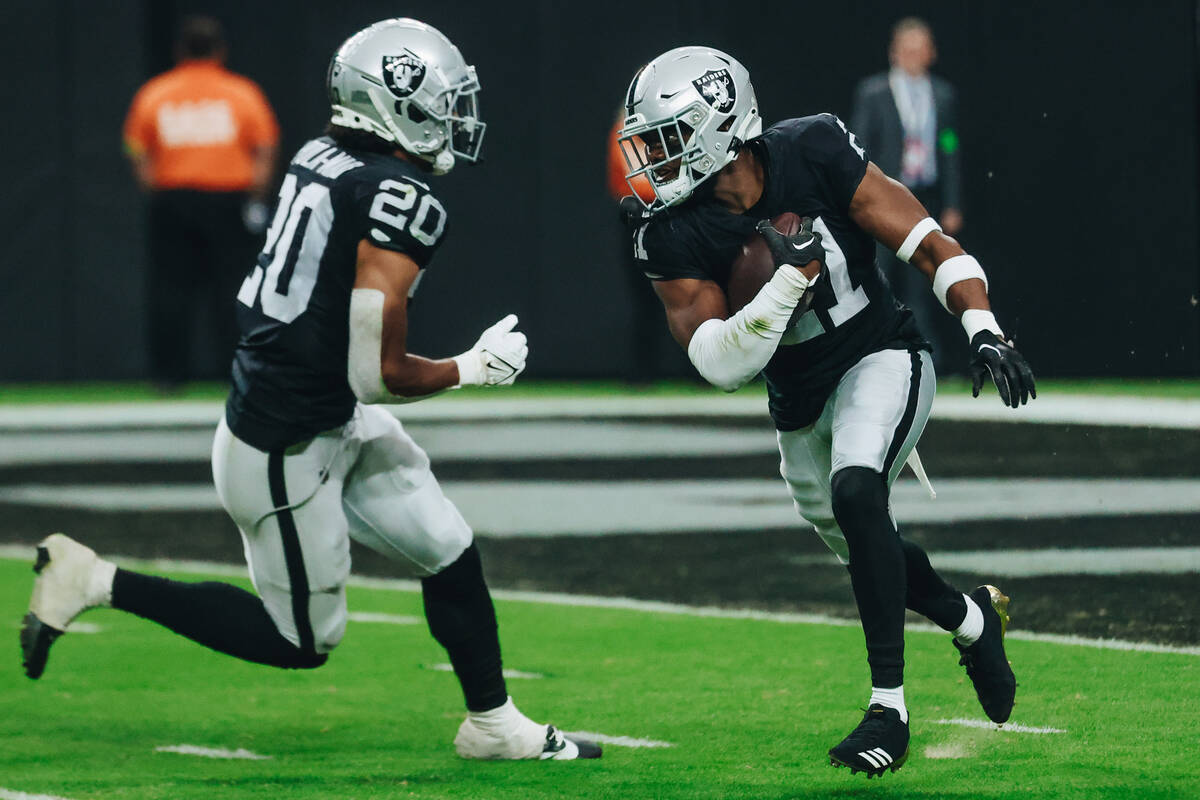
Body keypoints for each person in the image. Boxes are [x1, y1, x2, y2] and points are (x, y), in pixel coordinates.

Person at [25, 18, 599, 762]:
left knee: (447, 547)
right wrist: (472, 366)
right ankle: (94, 578)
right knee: (301, 641)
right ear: (396, 106)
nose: (457, 117)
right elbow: (377, 373)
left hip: (319, 410)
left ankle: (492, 724)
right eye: (442, 101)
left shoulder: (323, 151)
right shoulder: (401, 197)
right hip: (284, 442)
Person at [617, 46, 1035, 776]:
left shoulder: (812, 148)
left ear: (719, 126)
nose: (651, 158)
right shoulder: (670, 231)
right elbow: (719, 363)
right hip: (797, 399)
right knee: (871, 552)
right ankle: (973, 622)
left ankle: (888, 708)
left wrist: (983, 328)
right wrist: (785, 286)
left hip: (881, 355)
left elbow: (927, 244)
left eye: (666, 138)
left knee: (857, 489)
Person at [123, 16, 280, 389]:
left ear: (180, 50)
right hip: (228, 201)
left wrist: (152, 186)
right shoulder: (241, 93)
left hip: (173, 200)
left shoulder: (156, 92)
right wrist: (257, 196)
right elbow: (266, 147)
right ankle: (236, 371)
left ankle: (168, 377)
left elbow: (135, 146)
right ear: (220, 50)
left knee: (170, 289)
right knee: (233, 288)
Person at [851, 17, 966, 374]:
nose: (914, 57)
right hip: (884, 196)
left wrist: (952, 203)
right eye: (908, 50)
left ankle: (927, 356)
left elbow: (949, 148)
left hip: (924, 197)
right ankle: (865, 351)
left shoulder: (943, 95)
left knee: (924, 278)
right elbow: (858, 144)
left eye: (921, 50)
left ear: (930, 53)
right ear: (895, 53)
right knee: (876, 273)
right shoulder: (874, 92)